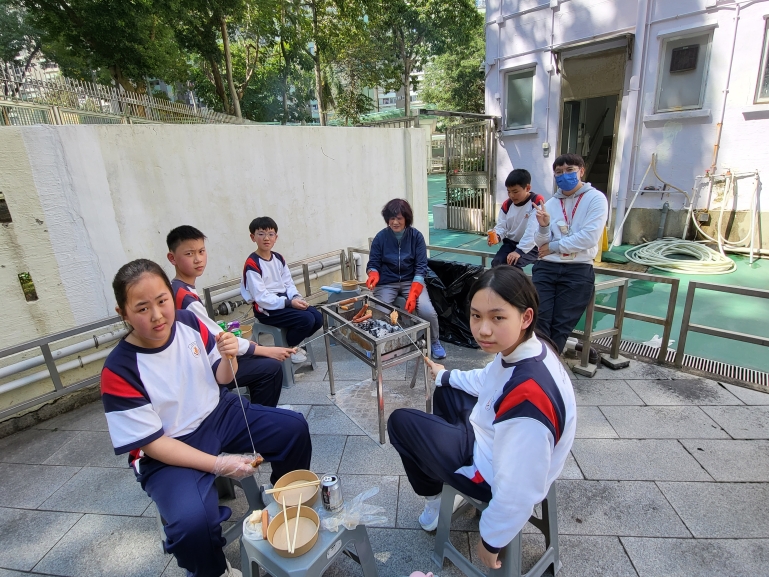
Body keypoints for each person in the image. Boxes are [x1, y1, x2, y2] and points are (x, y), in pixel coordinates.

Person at [101, 259, 312, 577]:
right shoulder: (119, 370)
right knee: (191, 524)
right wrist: (218, 464)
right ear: (124, 313)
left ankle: (285, 505)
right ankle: (214, 571)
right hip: (166, 449)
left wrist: (229, 356)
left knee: (293, 428)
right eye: (142, 308)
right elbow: (153, 444)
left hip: (219, 413)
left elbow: (224, 377)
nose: (157, 315)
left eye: (162, 301)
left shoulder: (188, 321)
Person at [387, 266, 576, 570]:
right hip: (495, 441)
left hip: (492, 472)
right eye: (476, 316)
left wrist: (491, 540)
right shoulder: (530, 346)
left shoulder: (528, 398)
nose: (483, 330)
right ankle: (448, 470)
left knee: (400, 423)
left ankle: (437, 496)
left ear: (525, 317)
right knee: (446, 391)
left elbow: (517, 487)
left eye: (497, 318)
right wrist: (445, 375)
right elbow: (488, 378)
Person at [166, 225, 293, 407]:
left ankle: (259, 410)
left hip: (208, 354)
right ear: (172, 258)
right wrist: (267, 350)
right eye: (189, 254)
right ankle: (260, 417)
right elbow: (217, 337)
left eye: (201, 251)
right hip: (206, 365)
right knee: (270, 367)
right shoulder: (185, 298)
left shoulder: (179, 289)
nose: (198, 259)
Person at [532, 153, 608, 358]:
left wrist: (554, 246)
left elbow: (589, 238)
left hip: (578, 269)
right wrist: (544, 226)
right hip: (546, 267)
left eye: (569, 170)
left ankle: (548, 365)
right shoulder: (549, 204)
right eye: (559, 172)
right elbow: (540, 243)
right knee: (539, 320)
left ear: (581, 171)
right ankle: (543, 364)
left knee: (561, 325)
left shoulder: (596, 199)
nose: (564, 175)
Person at [365, 198, 446, 359]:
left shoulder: (416, 237)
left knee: (427, 310)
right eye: (391, 218)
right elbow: (373, 263)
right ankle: (377, 343)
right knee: (380, 311)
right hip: (387, 282)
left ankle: (434, 341)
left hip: (412, 281)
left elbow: (421, 266)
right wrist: (373, 273)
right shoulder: (380, 237)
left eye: (399, 218)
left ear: (406, 219)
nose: (395, 222)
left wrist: (414, 293)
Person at [240, 217, 323, 364]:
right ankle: (288, 348)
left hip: (284, 302)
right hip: (266, 309)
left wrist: (296, 298)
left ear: (276, 237)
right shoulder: (252, 263)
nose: (266, 238)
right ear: (253, 237)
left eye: (270, 234)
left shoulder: (278, 258)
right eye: (261, 234)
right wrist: (289, 303)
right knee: (306, 320)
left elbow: (288, 283)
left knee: (317, 317)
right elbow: (261, 297)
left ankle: (292, 344)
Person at [487, 169, 544, 269]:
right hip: (511, 243)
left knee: (513, 264)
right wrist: (497, 236)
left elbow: (533, 230)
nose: (511, 195)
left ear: (527, 188)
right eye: (509, 192)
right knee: (497, 263)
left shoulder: (536, 202)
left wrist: (519, 251)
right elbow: (502, 226)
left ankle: (518, 280)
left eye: (515, 191)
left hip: (532, 246)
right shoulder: (507, 204)